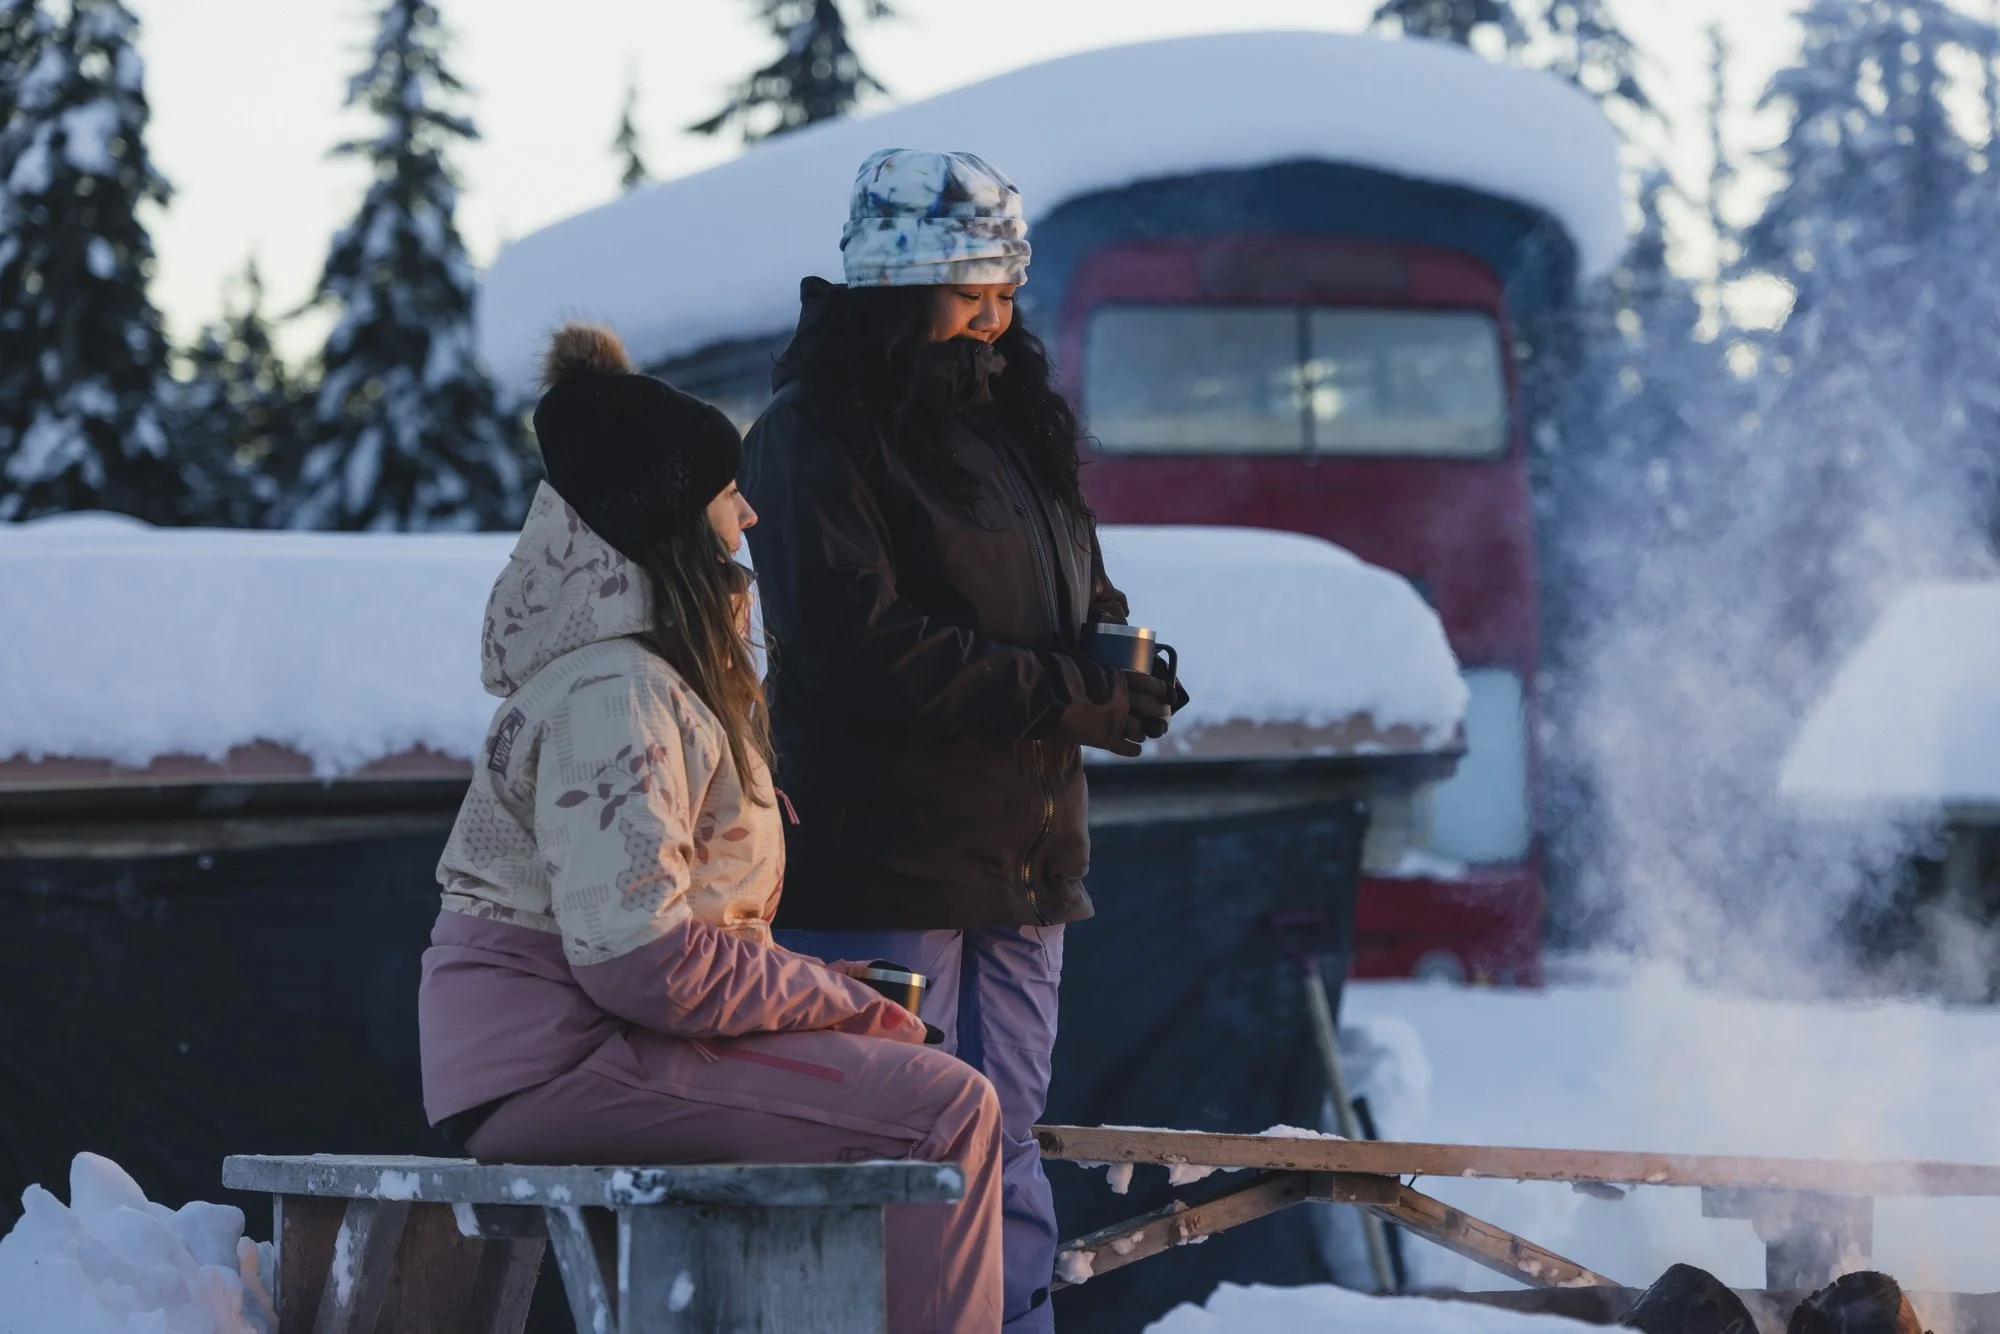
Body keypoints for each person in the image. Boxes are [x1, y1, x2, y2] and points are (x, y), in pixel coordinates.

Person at [417, 323, 1005, 1333]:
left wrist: (824, 996)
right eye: (725, 490)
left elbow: (656, 936)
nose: (750, 509)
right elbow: (640, 960)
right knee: (941, 1110)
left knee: (921, 1093)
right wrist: (827, 1000)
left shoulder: (644, 678)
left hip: (593, 1044)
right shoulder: (616, 693)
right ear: (675, 521)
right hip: (565, 1060)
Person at [743, 148, 1181, 1331]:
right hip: (882, 863)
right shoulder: (809, 435)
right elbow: (857, 648)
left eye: (1003, 288)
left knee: (1011, 1140)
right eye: (966, 289)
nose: (994, 316)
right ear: (894, 287)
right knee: (896, 1146)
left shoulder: (1011, 426)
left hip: (1021, 862)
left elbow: (1076, 593)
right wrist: (1061, 693)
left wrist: (1120, 665)